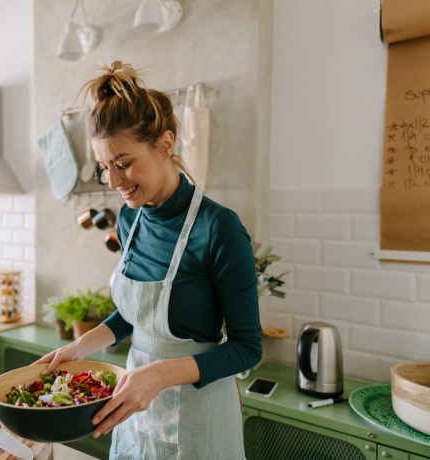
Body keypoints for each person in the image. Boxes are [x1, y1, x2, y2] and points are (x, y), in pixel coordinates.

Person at [35, 61, 262, 460]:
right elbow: (137, 314)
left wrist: (157, 376)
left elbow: (247, 348)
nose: (113, 182)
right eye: (105, 167)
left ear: (165, 144)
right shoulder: (129, 218)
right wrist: (80, 347)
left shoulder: (218, 228)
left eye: (123, 163)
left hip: (200, 412)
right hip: (137, 405)